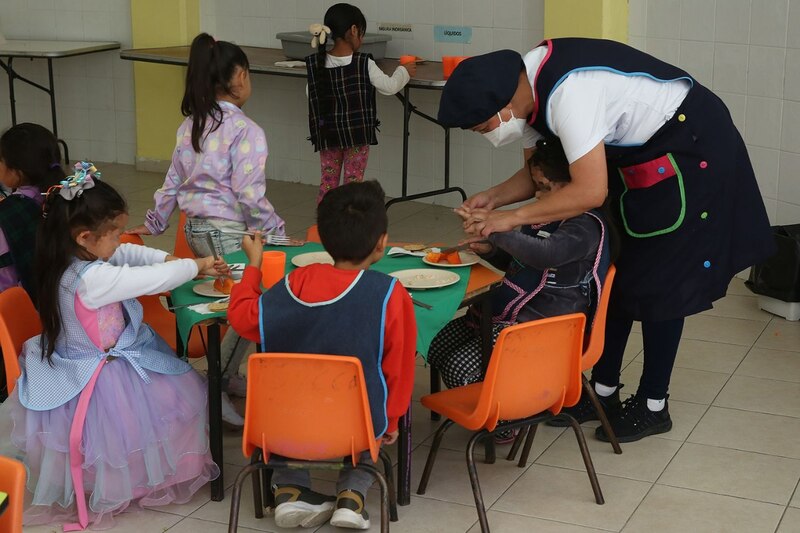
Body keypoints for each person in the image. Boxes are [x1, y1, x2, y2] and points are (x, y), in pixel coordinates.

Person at [435, 39, 776, 443]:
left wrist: (507, 221)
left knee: (664, 281)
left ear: (502, 107)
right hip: (640, 158)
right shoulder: (526, 94)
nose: (485, 135)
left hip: (690, 147)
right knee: (615, 273)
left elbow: (590, 191)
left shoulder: (568, 96)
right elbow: (541, 174)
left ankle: (654, 405)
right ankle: (602, 391)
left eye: (482, 127)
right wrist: (492, 198)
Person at [0, 163, 221, 529]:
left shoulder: (75, 255)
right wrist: (192, 266)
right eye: (115, 233)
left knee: (138, 424)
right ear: (85, 236)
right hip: (96, 371)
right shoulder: (94, 279)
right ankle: (120, 485)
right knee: (129, 429)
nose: (120, 240)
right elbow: (149, 279)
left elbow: (132, 256)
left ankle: (129, 480)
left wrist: (168, 257)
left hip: (97, 356)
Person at [228, 180, 416, 529]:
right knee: (367, 409)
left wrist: (253, 266)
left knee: (287, 398)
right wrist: (390, 419)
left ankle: (290, 491)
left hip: (283, 423)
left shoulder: (293, 283)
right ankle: (352, 497)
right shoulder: (390, 293)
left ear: (324, 240)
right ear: (382, 243)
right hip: (356, 427)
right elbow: (398, 367)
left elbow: (241, 318)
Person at [128, 33, 285, 421]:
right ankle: (217, 383)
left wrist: (155, 222)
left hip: (196, 231)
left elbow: (172, 182)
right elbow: (249, 195)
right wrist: (277, 234)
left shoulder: (191, 125)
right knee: (255, 304)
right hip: (227, 233)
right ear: (240, 77)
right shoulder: (247, 131)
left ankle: (225, 379)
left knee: (233, 303)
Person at [427, 137, 609, 443]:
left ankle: (509, 415)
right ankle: (499, 398)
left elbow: (546, 254)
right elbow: (520, 262)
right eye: (536, 186)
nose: (538, 195)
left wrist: (500, 228)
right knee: (436, 343)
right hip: (514, 319)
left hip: (545, 330)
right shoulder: (541, 217)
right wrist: (488, 247)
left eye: (546, 187)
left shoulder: (585, 226)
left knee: (460, 365)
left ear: (577, 186)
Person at [306, 3, 416, 203]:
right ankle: (350, 224)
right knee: (353, 182)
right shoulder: (364, 62)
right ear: (354, 30)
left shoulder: (315, 63)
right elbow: (389, 87)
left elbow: (310, 94)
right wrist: (405, 71)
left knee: (328, 182)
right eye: (362, 33)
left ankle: (325, 223)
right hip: (357, 135)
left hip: (327, 135)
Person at [0, 123, 65, 301]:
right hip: (61, 296)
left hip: (19, 307)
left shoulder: (9, 214)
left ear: (16, 173)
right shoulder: (66, 195)